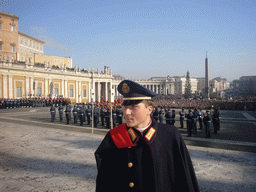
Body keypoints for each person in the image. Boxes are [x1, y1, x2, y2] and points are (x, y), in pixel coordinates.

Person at [95, 80, 199, 192]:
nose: (126, 112)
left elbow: (184, 176)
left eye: (134, 107)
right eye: (125, 107)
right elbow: (104, 181)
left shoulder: (169, 135)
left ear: (149, 109)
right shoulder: (114, 137)